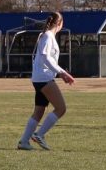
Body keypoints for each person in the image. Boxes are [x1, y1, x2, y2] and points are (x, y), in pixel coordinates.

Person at [18, 12, 75, 150]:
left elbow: (46, 59)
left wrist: (61, 72)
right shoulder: (47, 36)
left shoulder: (48, 36)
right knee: (61, 108)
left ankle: (24, 142)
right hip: (43, 78)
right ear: (59, 23)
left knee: (39, 111)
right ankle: (39, 135)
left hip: (40, 78)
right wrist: (62, 72)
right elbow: (45, 57)